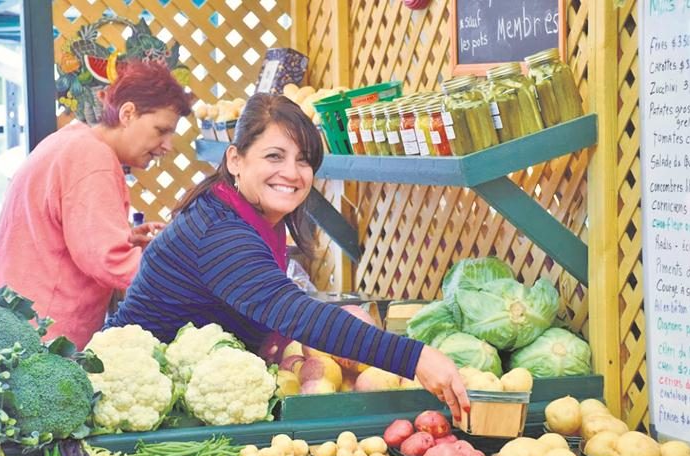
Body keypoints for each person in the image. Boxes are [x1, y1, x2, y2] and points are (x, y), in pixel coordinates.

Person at [107, 93, 470, 418]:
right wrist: (416, 358)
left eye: (304, 160)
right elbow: (293, 313)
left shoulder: (248, 212)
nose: (292, 173)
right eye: (274, 156)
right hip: (138, 398)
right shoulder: (220, 232)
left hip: (187, 392)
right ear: (235, 159)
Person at [0, 61, 193, 348]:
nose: (167, 145)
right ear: (127, 113)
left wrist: (125, 238)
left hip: (0, 320)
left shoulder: (70, 142)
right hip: (32, 335)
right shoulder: (92, 158)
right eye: (161, 130)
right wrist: (186, 282)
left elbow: (63, 235)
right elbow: (107, 260)